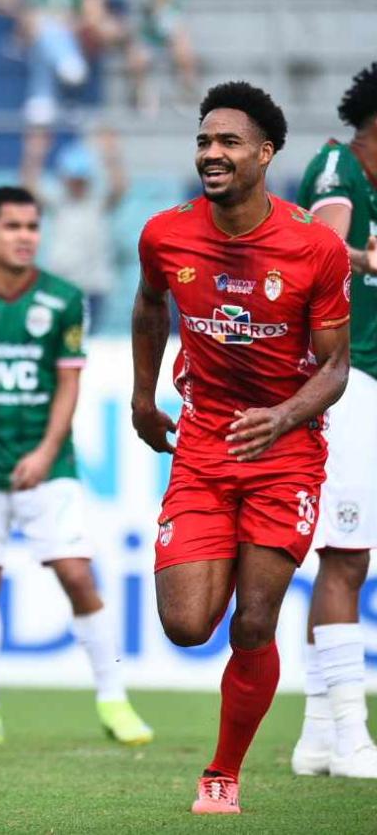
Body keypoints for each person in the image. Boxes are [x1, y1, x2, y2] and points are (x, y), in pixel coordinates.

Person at [131, 81, 352, 814]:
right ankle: (221, 561)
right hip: (202, 444)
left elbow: (335, 367)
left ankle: (222, 772)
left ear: (265, 154)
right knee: (187, 625)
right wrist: (142, 398)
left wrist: (283, 416)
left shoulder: (314, 247)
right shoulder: (165, 234)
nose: (212, 153)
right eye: (203, 141)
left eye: (229, 142)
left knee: (254, 621)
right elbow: (148, 304)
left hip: (286, 453)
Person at [0, 185, 152, 749]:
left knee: (75, 573)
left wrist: (45, 452)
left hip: (49, 464)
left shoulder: (63, 299)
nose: (25, 236)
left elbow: (70, 382)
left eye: (32, 227)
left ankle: (114, 699)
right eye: (13, 226)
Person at [290, 61, 377, 779]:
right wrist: (365, 261)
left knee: (350, 556)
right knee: (344, 555)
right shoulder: (335, 167)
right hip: (343, 380)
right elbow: (319, 248)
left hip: (364, 377)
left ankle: (319, 734)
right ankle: (350, 735)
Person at [21, 129, 127, 333]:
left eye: (81, 179)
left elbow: (119, 188)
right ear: (64, 178)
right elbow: (29, 189)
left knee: (89, 340)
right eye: (73, 179)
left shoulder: (98, 203)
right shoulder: (58, 202)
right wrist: (34, 154)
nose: (77, 184)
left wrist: (111, 154)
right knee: (60, 338)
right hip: (61, 284)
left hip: (94, 286)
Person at [126, 0, 197, 113]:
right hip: (150, 40)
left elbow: (176, 23)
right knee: (136, 55)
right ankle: (141, 93)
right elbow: (149, 24)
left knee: (183, 46)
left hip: (172, 41)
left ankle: (186, 90)